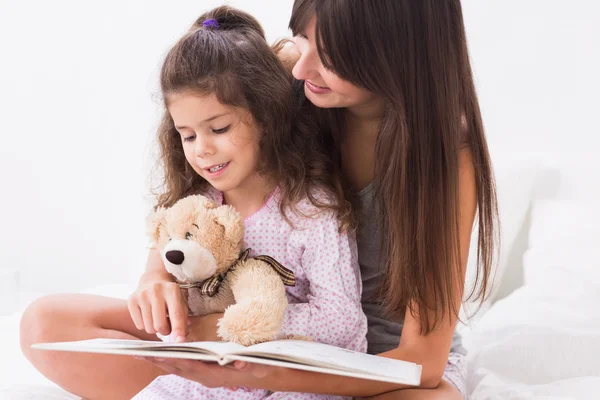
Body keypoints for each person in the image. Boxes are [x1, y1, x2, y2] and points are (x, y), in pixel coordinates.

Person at [139, 1, 498, 399]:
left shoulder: (445, 159)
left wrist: (253, 374)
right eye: (301, 37)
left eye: (328, 56)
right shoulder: (293, 77)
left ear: (394, 53)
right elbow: (199, 185)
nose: (299, 68)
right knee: (58, 323)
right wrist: (155, 276)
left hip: (380, 364)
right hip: (263, 341)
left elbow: (423, 365)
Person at [19, 6, 367, 400]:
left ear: (267, 117)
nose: (202, 150)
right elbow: (165, 263)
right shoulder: (198, 203)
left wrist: (227, 324)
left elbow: (342, 321)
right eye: (187, 135)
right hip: (202, 362)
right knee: (42, 322)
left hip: (281, 378)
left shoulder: (309, 209)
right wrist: (153, 284)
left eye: (219, 129)